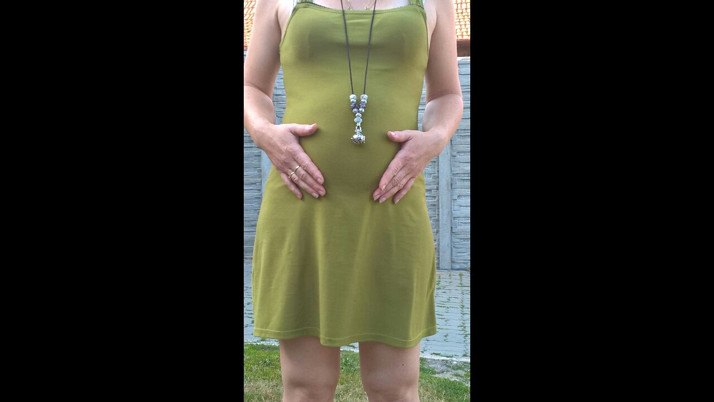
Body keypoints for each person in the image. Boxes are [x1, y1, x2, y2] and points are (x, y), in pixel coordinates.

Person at [244, 0, 463, 400]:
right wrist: (263, 131)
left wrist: (435, 138)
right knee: (306, 389)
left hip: (393, 211)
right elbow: (252, 88)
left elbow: (446, 95)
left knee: (395, 390)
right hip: (302, 209)